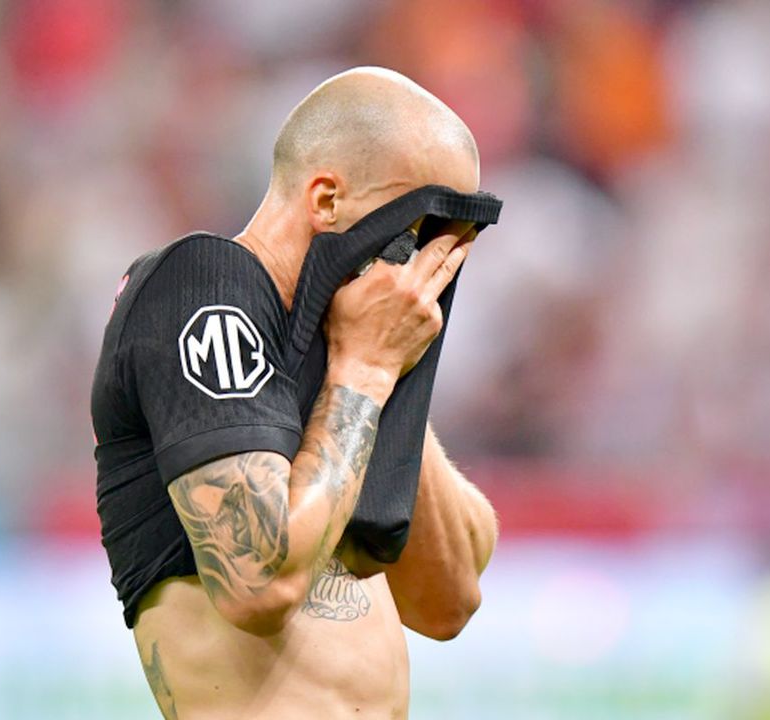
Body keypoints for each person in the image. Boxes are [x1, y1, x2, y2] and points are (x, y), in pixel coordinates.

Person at [90, 66, 498, 719]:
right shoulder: (203, 288)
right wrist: (365, 369)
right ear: (327, 200)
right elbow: (259, 581)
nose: (424, 273)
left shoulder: (347, 358)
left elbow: (449, 599)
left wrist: (382, 369)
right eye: (419, 234)